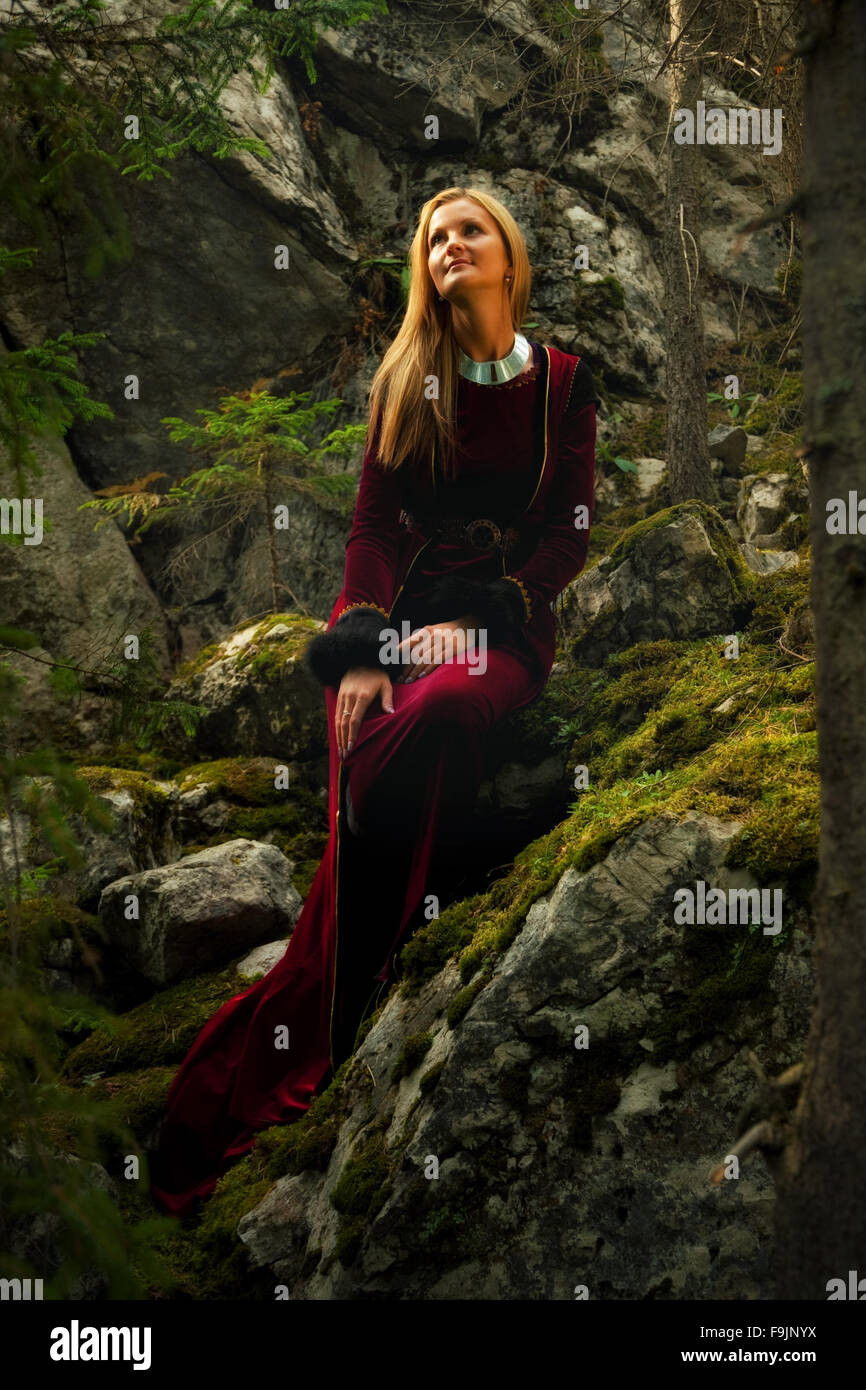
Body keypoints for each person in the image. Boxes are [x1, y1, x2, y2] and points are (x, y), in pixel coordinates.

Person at [149, 185, 599, 1219]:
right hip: (396, 627)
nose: (449, 247)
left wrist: (489, 618)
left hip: (501, 626)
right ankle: (359, 925)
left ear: (507, 257)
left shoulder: (564, 382)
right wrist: (357, 646)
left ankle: (371, 971)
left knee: (442, 711)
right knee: (382, 721)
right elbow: (372, 531)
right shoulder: (407, 377)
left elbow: (566, 533)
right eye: (433, 238)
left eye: (467, 231)